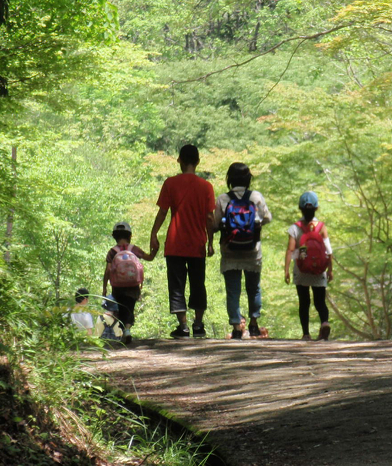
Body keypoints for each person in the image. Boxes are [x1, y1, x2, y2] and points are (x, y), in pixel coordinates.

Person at [149, 144, 216, 339]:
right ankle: (199, 325)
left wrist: (154, 234)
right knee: (198, 284)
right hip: (197, 243)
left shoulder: (170, 183)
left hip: (175, 244)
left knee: (177, 285)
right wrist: (210, 242)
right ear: (198, 162)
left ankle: (183, 326)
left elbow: (163, 212)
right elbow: (209, 217)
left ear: (179, 160)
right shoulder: (206, 186)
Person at [214, 162, 272, 339]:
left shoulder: (223, 199)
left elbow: (215, 224)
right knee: (254, 288)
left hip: (230, 251)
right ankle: (253, 324)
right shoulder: (256, 197)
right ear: (248, 179)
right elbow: (267, 218)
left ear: (229, 179)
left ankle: (236, 327)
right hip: (252, 250)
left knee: (233, 291)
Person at [284, 191, 333, 340]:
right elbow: (328, 250)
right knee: (320, 301)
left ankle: (306, 334)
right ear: (316, 208)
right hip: (319, 269)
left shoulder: (295, 228)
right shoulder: (322, 227)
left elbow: (290, 250)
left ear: (300, 208)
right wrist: (330, 270)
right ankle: (324, 323)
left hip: (301, 269)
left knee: (304, 302)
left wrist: (286, 270)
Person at [103, 221, 158, 344]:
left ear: (114, 236)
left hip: (118, 286)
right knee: (130, 306)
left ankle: (123, 331)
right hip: (133, 284)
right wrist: (154, 251)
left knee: (121, 307)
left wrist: (105, 287)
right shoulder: (134, 249)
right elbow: (149, 258)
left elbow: (108, 271)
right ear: (130, 235)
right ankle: (127, 329)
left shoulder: (112, 251)